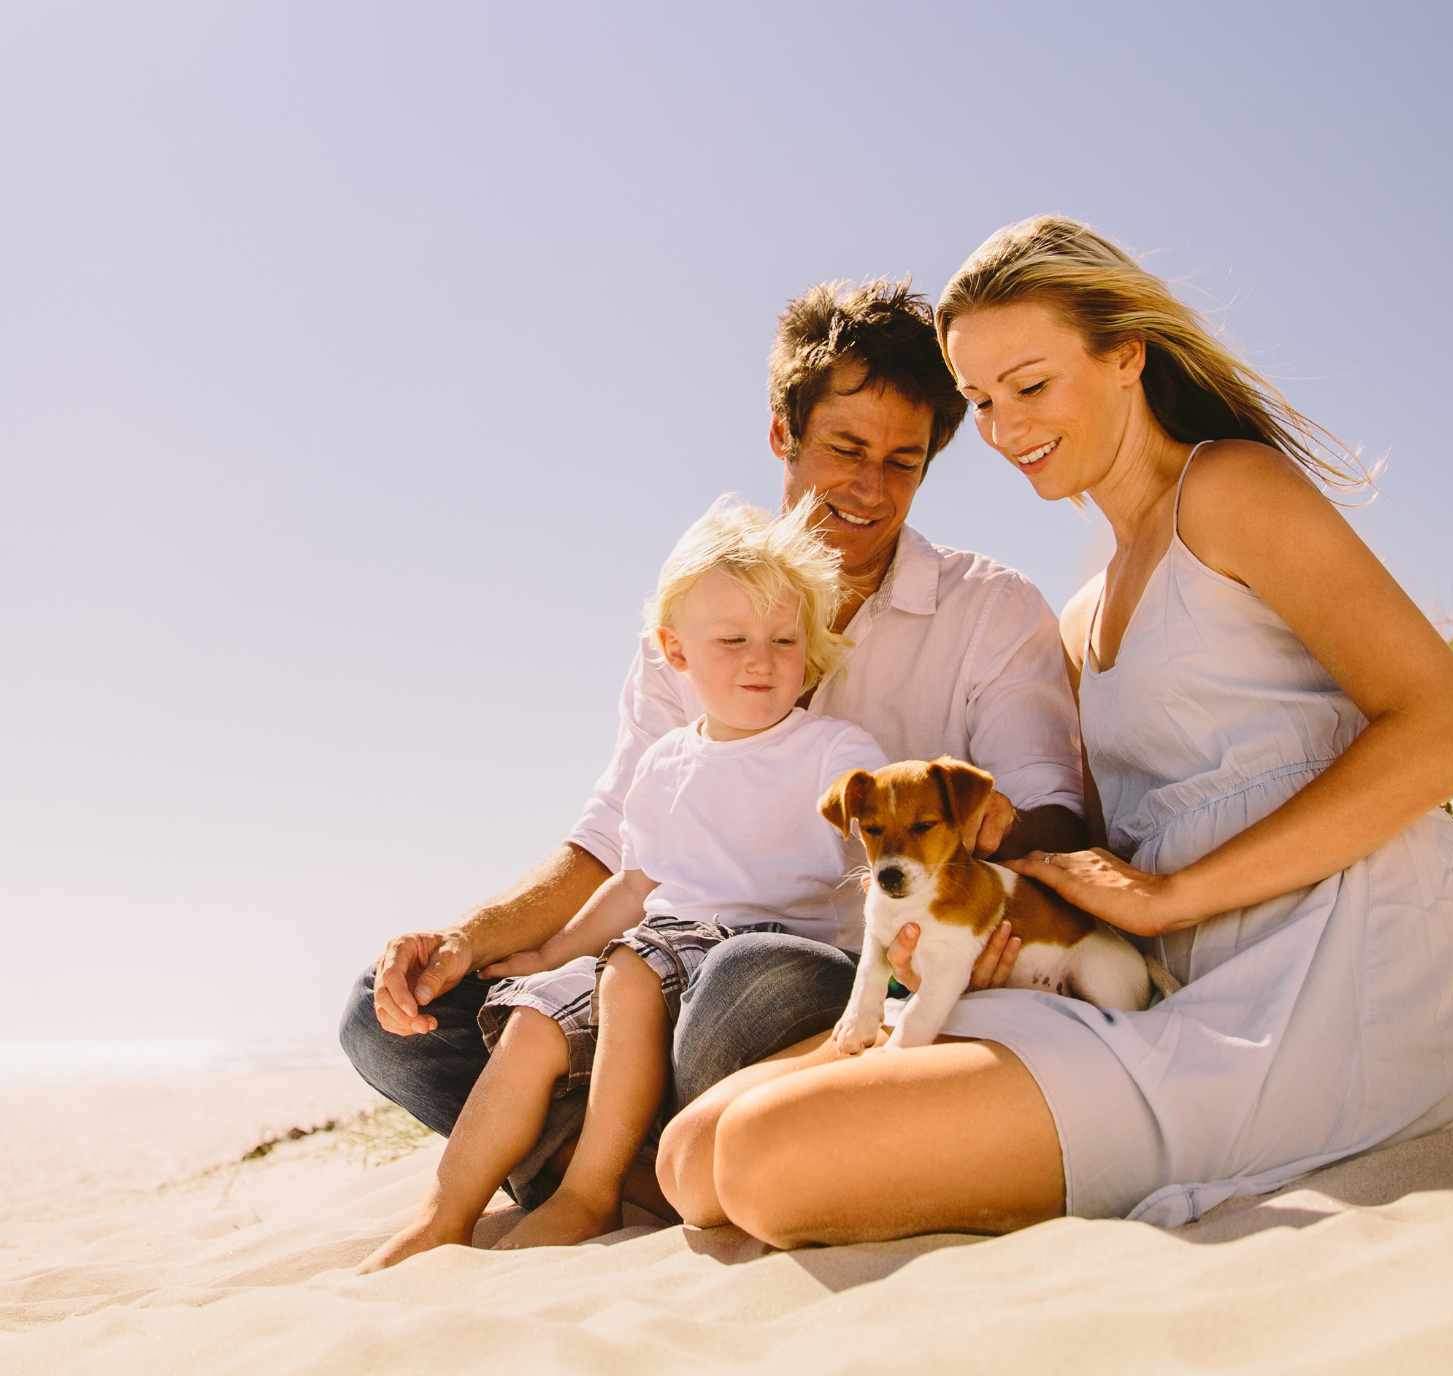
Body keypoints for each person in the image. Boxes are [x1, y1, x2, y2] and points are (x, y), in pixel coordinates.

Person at [653, 216, 1453, 1244]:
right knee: (690, 1156)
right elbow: (1096, 851)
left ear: (1124, 353)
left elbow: (1452, 733)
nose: (1006, 428)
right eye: (980, 400)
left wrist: (1168, 896)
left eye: (1030, 384)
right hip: (1153, 981)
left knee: (762, 1162)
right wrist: (1009, 912)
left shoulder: (1229, 488)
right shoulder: (1081, 613)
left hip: (1316, 979)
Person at [339, 279, 1086, 1208]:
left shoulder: (990, 608)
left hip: (839, 970)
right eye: (844, 450)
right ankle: (646, 1164)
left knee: (741, 982)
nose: (870, 489)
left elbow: (1046, 808)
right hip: (661, 958)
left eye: (903, 462)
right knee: (386, 1022)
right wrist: (466, 942)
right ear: (784, 434)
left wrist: (972, 907)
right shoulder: (699, 608)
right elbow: (616, 838)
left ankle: (626, 1161)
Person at [361, 501, 887, 1270]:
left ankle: (588, 1191)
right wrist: (552, 952)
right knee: (539, 1019)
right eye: (733, 640)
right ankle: (444, 1215)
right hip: (657, 945)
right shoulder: (667, 761)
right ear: (677, 653)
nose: (761, 660)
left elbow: (884, 836)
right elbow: (637, 881)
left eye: (783, 639)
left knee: (633, 970)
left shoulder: (830, 748)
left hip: (765, 954)